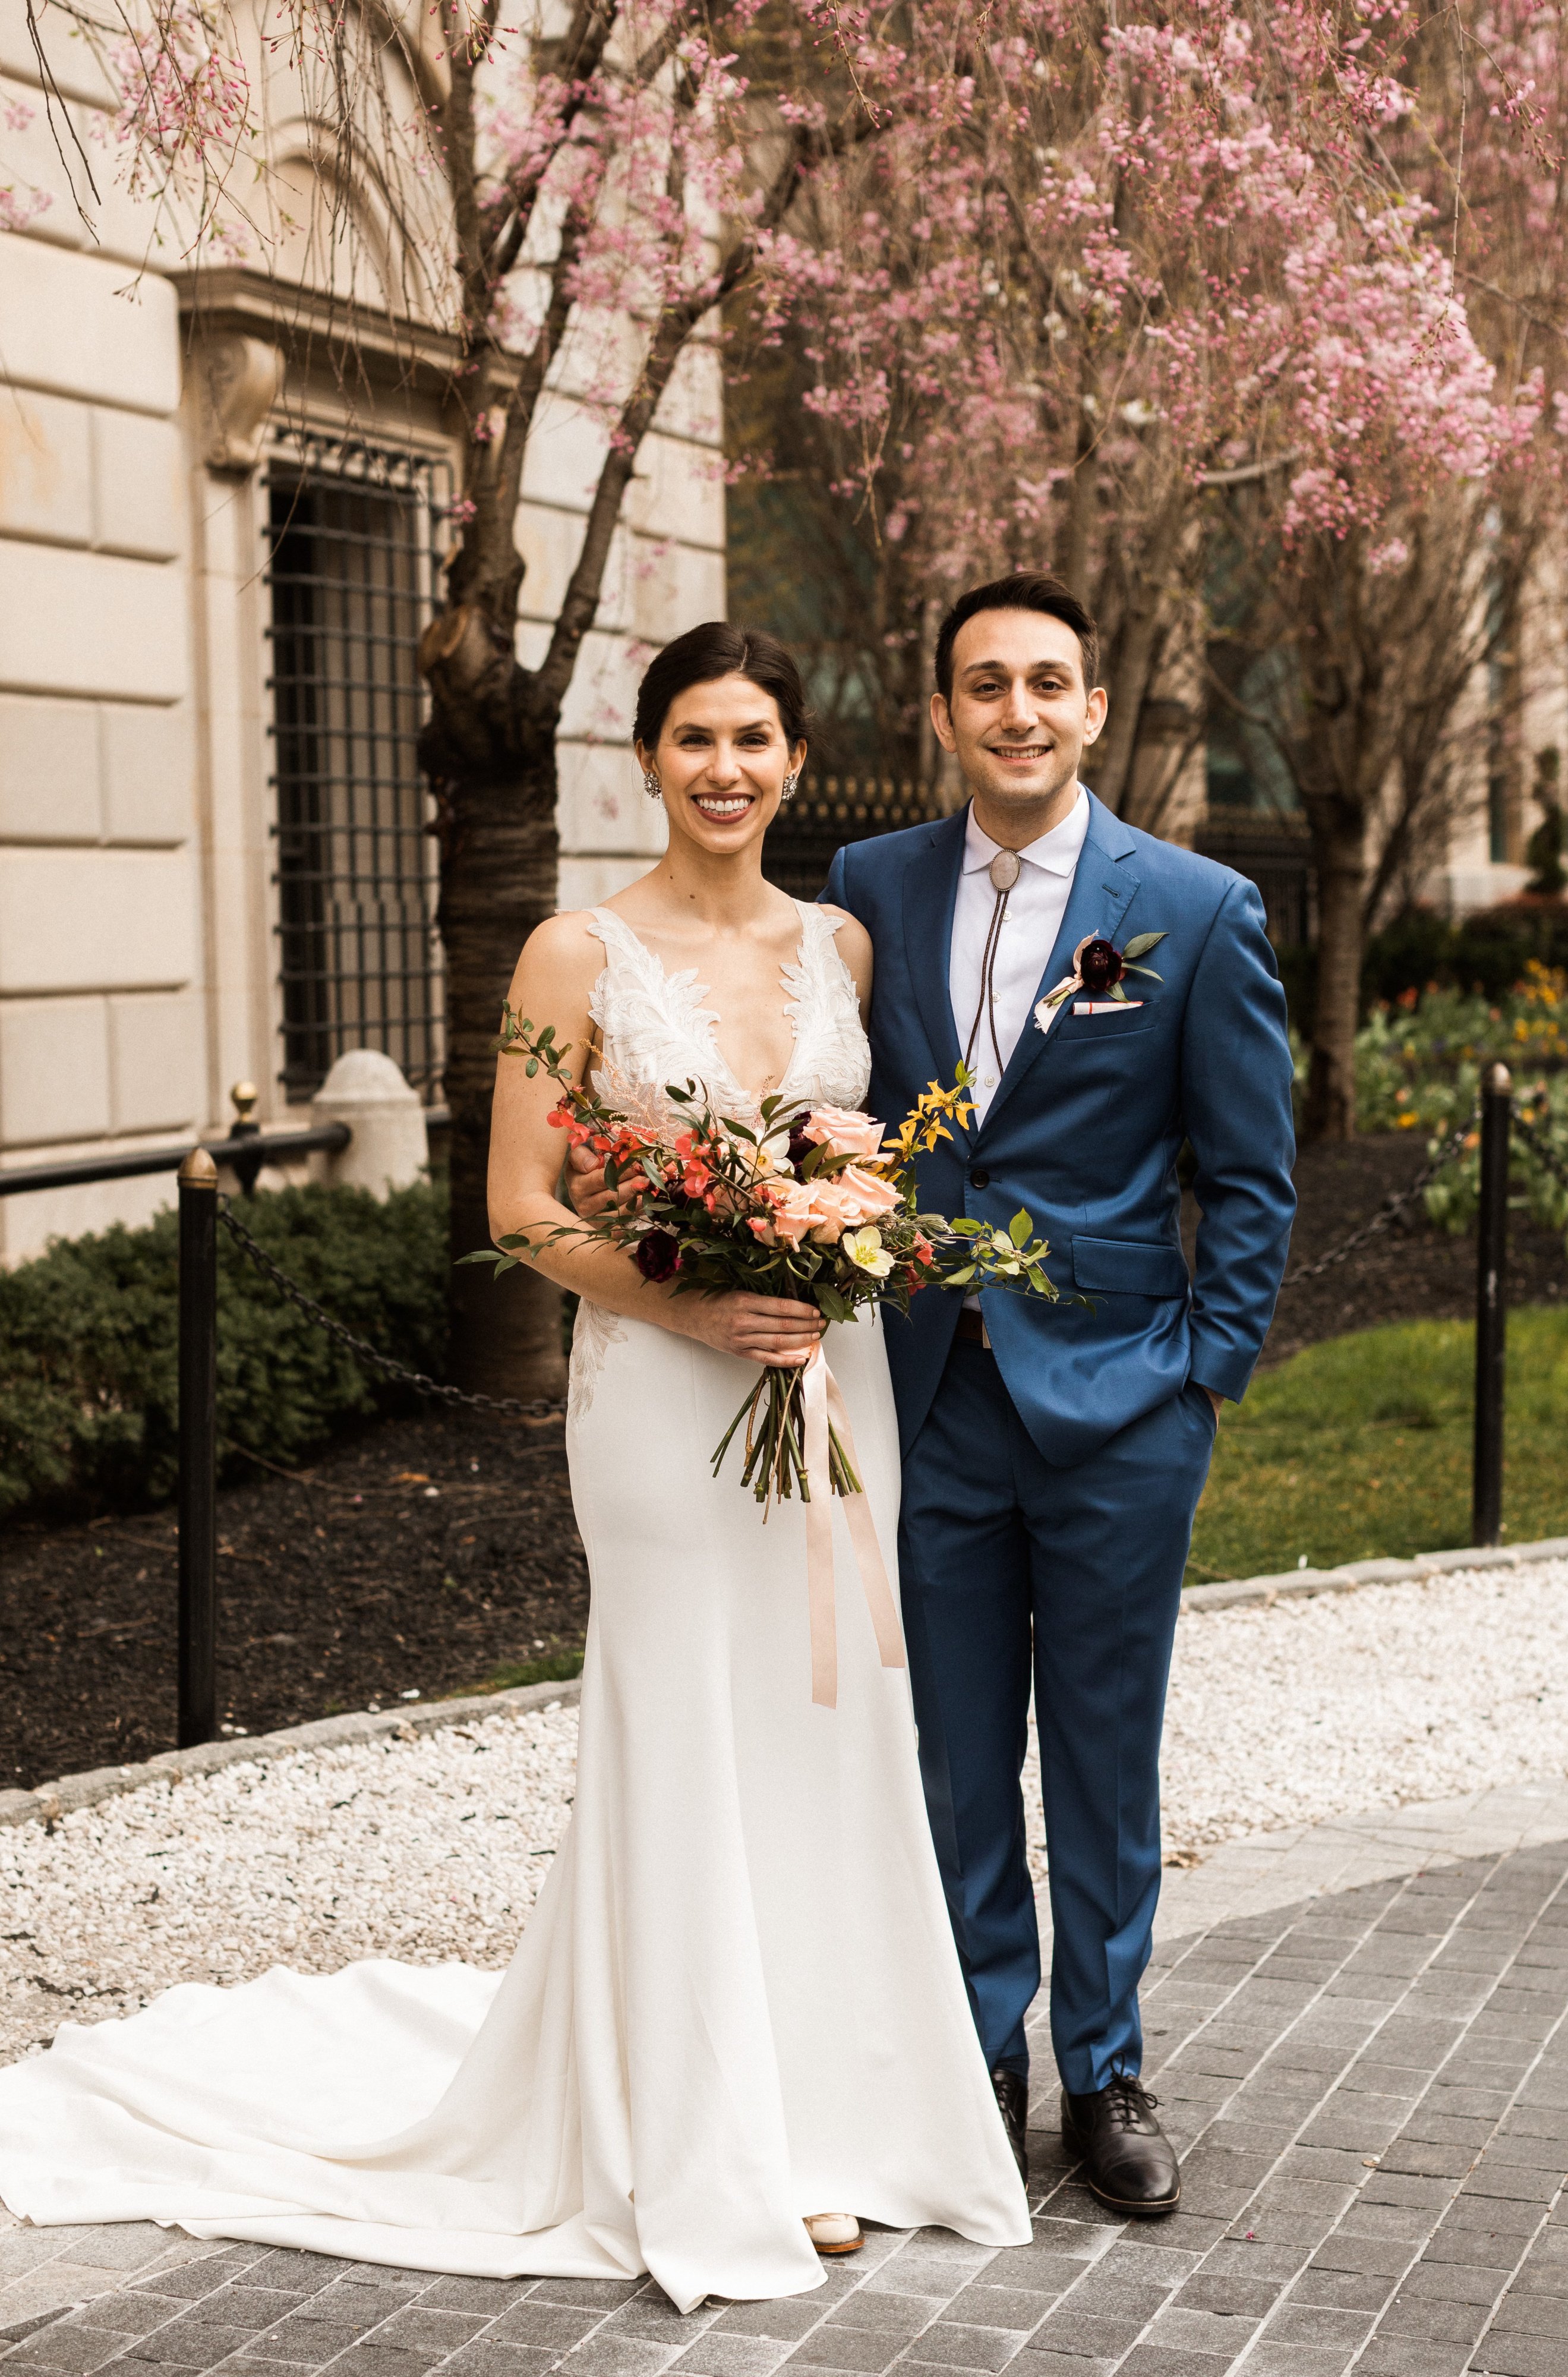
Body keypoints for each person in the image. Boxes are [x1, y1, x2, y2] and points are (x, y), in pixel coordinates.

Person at [0, 623, 1031, 2314]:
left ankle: (831, 2115)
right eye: (694, 736)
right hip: (657, 1394)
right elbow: (520, 1210)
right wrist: (697, 1291)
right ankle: (704, 2141)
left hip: (830, 1390)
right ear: (645, 757)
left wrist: (849, 1239)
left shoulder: (840, 942)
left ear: (791, 759)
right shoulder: (572, 955)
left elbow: (877, 1150)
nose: (725, 768)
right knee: (689, 1720)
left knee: (824, 1726)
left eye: (753, 738)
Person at [817, 575, 1296, 2212]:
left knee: (1100, 1754)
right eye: (982, 685)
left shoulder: (1193, 905)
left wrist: (1199, 1380)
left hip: (1118, 1407)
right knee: (952, 1759)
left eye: (1045, 683)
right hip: (929, 1392)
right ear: (939, 714)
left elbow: (1248, 1178)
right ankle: (973, 2062)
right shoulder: (864, 887)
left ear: (1093, 708)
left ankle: (1103, 2073)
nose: (1015, 710)